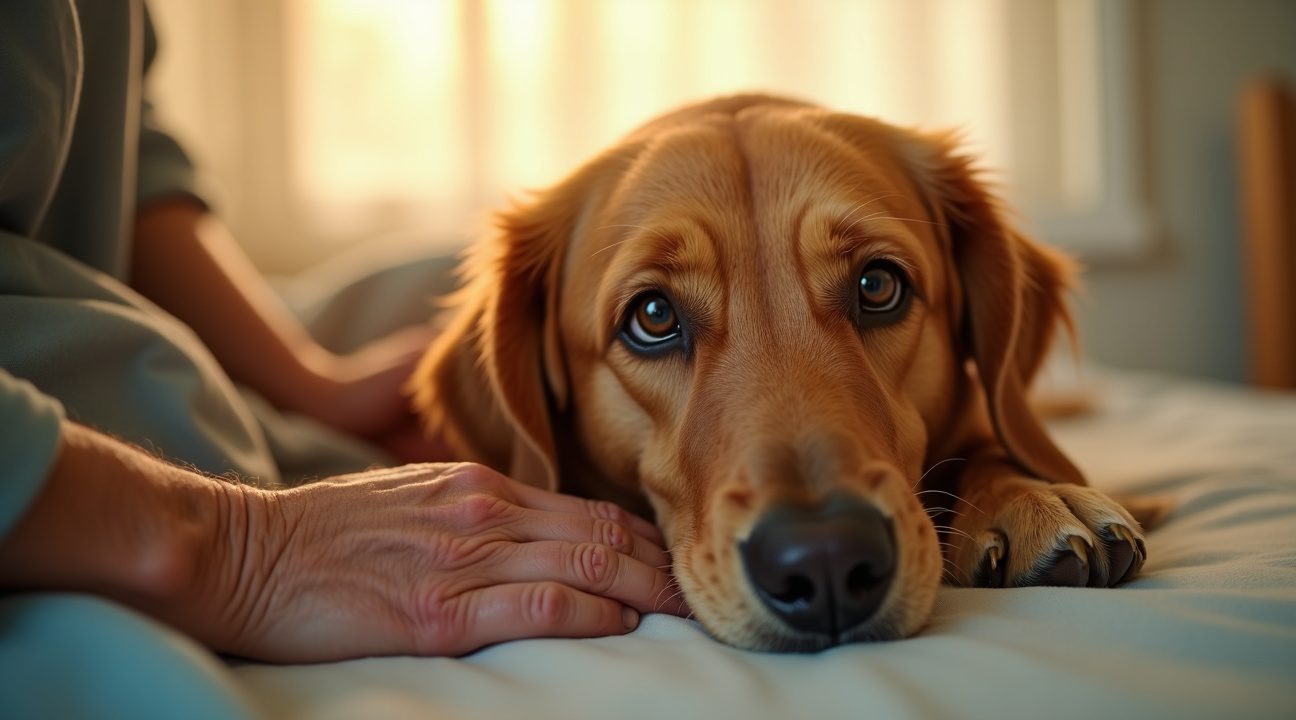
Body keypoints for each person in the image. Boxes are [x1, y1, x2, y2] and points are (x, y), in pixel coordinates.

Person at [0, 2, 683, 715]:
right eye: (657, 316)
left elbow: (115, 143)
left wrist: (310, 384)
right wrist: (242, 551)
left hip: (153, 334)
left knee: (439, 275)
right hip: (69, 483)